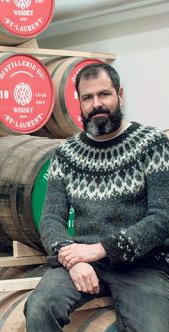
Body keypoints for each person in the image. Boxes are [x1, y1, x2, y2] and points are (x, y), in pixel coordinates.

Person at [24, 63, 169, 331]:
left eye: (104, 94)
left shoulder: (152, 143)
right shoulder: (67, 152)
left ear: (120, 95)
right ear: (79, 102)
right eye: (87, 98)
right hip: (82, 261)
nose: (96, 105)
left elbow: (162, 217)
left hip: (142, 266)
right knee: (40, 307)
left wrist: (101, 249)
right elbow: (51, 218)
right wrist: (73, 260)